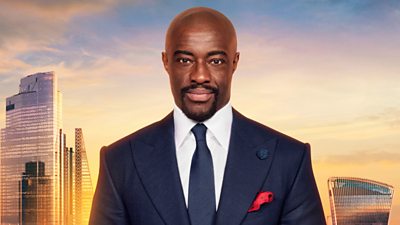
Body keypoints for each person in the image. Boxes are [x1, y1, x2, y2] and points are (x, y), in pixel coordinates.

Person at [89, 6, 326, 225]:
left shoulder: (289, 159)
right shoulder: (120, 162)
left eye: (215, 61)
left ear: (234, 62)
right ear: (166, 62)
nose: (200, 75)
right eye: (185, 60)